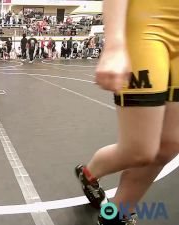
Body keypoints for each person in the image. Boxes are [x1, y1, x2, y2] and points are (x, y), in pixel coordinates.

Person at [75, 0, 179, 224]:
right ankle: (89, 173)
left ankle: (116, 215)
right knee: (140, 150)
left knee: (169, 146)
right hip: (148, 24)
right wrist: (114, 44)